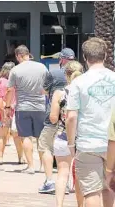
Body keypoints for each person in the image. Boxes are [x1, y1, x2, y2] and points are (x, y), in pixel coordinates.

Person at [66, 37, 115, 207]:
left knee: (91, 192)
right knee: (110, 189)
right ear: (105, 55)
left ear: (85, 58)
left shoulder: (78, 82)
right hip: (112, 143)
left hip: (88, 144)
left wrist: (71, 144)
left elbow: (71, 116)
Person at [38, 48, 75, 194]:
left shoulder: (54, 73)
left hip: (53, 116)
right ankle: (68, 182)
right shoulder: (81, 74)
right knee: (70, 150)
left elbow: (44, 91)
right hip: (71, 117)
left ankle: (49, 181)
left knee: (45, 147)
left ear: (62, 59)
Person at [6, 45, 47, 175]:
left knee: (25, 137)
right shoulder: (42, 67)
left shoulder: (15, 70)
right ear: (28, 54)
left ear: (18, 56)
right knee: (40, 137)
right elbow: (48, 87)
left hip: (23, 107)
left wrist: (7, 106)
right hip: (40, 106)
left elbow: (10, 90)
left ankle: (30, 166)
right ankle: (42, 165)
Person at [49, 61, 83, 207]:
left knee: (62, 174)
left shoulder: (60, 93)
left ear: (66, 75)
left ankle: (59, 204)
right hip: (81, 138)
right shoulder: (84, 92)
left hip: (62, 136)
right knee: (81, 176)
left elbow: (53, 118)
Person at [0, 62, 17, 164]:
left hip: (4, 109)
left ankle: (0, 157)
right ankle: (21, 157)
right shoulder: (16, 81)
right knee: (18, 136)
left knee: (2, 135)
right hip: (16, 109)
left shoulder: (0, 81)